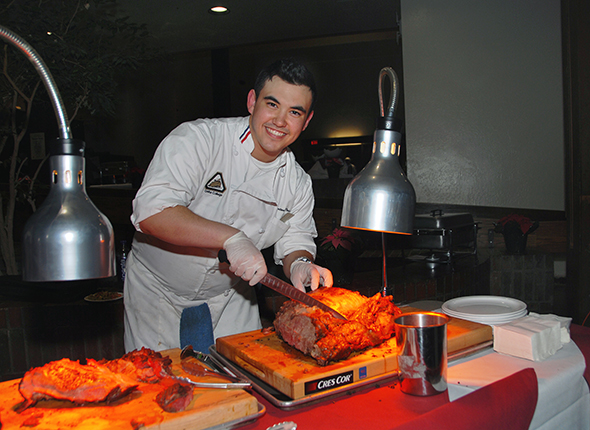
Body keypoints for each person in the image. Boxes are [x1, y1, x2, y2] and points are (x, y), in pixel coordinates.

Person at [123, 58, 334, 352]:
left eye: (294, 112)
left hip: (231, 297)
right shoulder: (199, 140)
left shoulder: (297, 182)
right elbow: (151, 212)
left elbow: (296, 238)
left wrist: (300, 262)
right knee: (157, 386)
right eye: (272, 104)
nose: (280, 121)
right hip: (157, 290)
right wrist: (230, 238)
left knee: (245, 383)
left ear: (307, 121)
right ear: (252, 101)